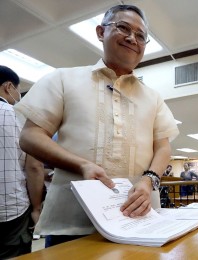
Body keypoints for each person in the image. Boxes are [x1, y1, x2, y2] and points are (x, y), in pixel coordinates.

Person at [15, 4, 179, 247]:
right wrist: (82, 165)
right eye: (123, 27)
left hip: (141, 219)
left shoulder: (153, 97)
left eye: (141, 35)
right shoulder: (62, 79)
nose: (132, 38)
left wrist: (149, 179)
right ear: (101, 32)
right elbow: (30, 136)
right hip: (72, 222)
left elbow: (163, 147)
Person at [0, 65, 44, 258]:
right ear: (9, 87)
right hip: (11, 208)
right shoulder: (17, 115)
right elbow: (34, 166)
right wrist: (36, 208)